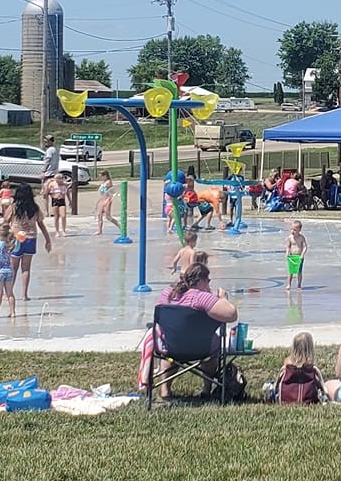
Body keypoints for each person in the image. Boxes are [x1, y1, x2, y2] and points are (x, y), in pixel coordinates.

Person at [139, 262, 238, 400]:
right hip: (201, 349)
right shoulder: (202, 297)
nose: (209, 285)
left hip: (171, 347)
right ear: (201, 280)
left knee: (172, 341)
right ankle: (206, 389)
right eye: (208, 281)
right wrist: (223, 299)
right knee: (212, 341)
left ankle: (165, 390)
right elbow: (231, 315)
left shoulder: (167, 293)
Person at [7, 189, 54, 302]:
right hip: (31, 239)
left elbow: (5, 222)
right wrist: (48, 240)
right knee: (26, 268)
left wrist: (3, 239)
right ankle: (24, 295)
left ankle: (9, 293)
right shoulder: (34, 208)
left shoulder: (13, 207)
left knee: (13, 268)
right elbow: (41, 225)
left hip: (17, 238)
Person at [273, 331, 325, 404]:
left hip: (286, 401)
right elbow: (323, 388)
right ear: (310, 349)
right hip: (309, 401)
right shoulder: (311, 369)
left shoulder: (287, 366)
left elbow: (276, 386)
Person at [43, 171, 70, 236]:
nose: (58, 181)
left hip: (62, 200)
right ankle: (57, 231)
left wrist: (70, 201)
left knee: (63, 215)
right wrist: (47, 186)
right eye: (57, 179)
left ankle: (63, 230)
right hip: (55, 200)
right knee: (56, 217)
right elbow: (46, 194)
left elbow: (68, 194)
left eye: (60, 179)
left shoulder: (64, 185)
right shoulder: (52, 184)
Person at [285, 219, 307, 291]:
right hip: (292, 257)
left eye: (294, 230)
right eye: (291, 229)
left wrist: (302, 255)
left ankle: (299, 285)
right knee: (290, 272)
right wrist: (287, 253)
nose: (292, 231)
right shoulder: (290, 238)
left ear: (299, 230)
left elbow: (305, 247)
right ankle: (289, 284)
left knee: (299, 272)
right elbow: (288, 246)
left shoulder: (301, 238)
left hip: (299, 257)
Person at [95, 170, 116, 235]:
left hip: (107, 200)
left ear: (105, 176)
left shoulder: (108, 182)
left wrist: (109, 200)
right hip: (102, 200)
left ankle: (120, 227)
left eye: (101, 176)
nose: (100, 178)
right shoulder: (103, 183)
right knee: (99, 214)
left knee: (108, 217)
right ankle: (99, 230)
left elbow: (112, 192)